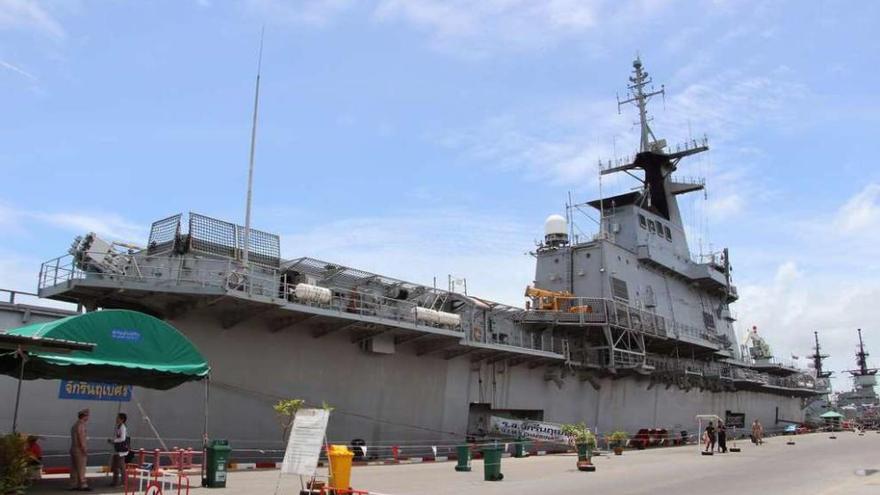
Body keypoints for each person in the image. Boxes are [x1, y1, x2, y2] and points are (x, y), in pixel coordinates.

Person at [69, 408, 90, 491]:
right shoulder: (81, 425)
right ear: (84, 416)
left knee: (74, 468)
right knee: (81, 468)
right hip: (79, 449)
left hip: (73, 448)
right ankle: (83, 484)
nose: (88, 417)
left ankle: (73, 484)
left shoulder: (74, 425)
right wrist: (84, 449)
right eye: (87, 415)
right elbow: (81, 438)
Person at [107, 413, 129, 486]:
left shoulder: (123, 427)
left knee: (121, 466)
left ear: (122, 419)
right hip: (117, 449)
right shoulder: (118, 426)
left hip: (121, 450)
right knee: (115, 466)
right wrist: (113, 441)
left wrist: (114, 441)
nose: (116, 419)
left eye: (118, 418)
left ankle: (123, 482)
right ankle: (115, 481)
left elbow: (123, 438)